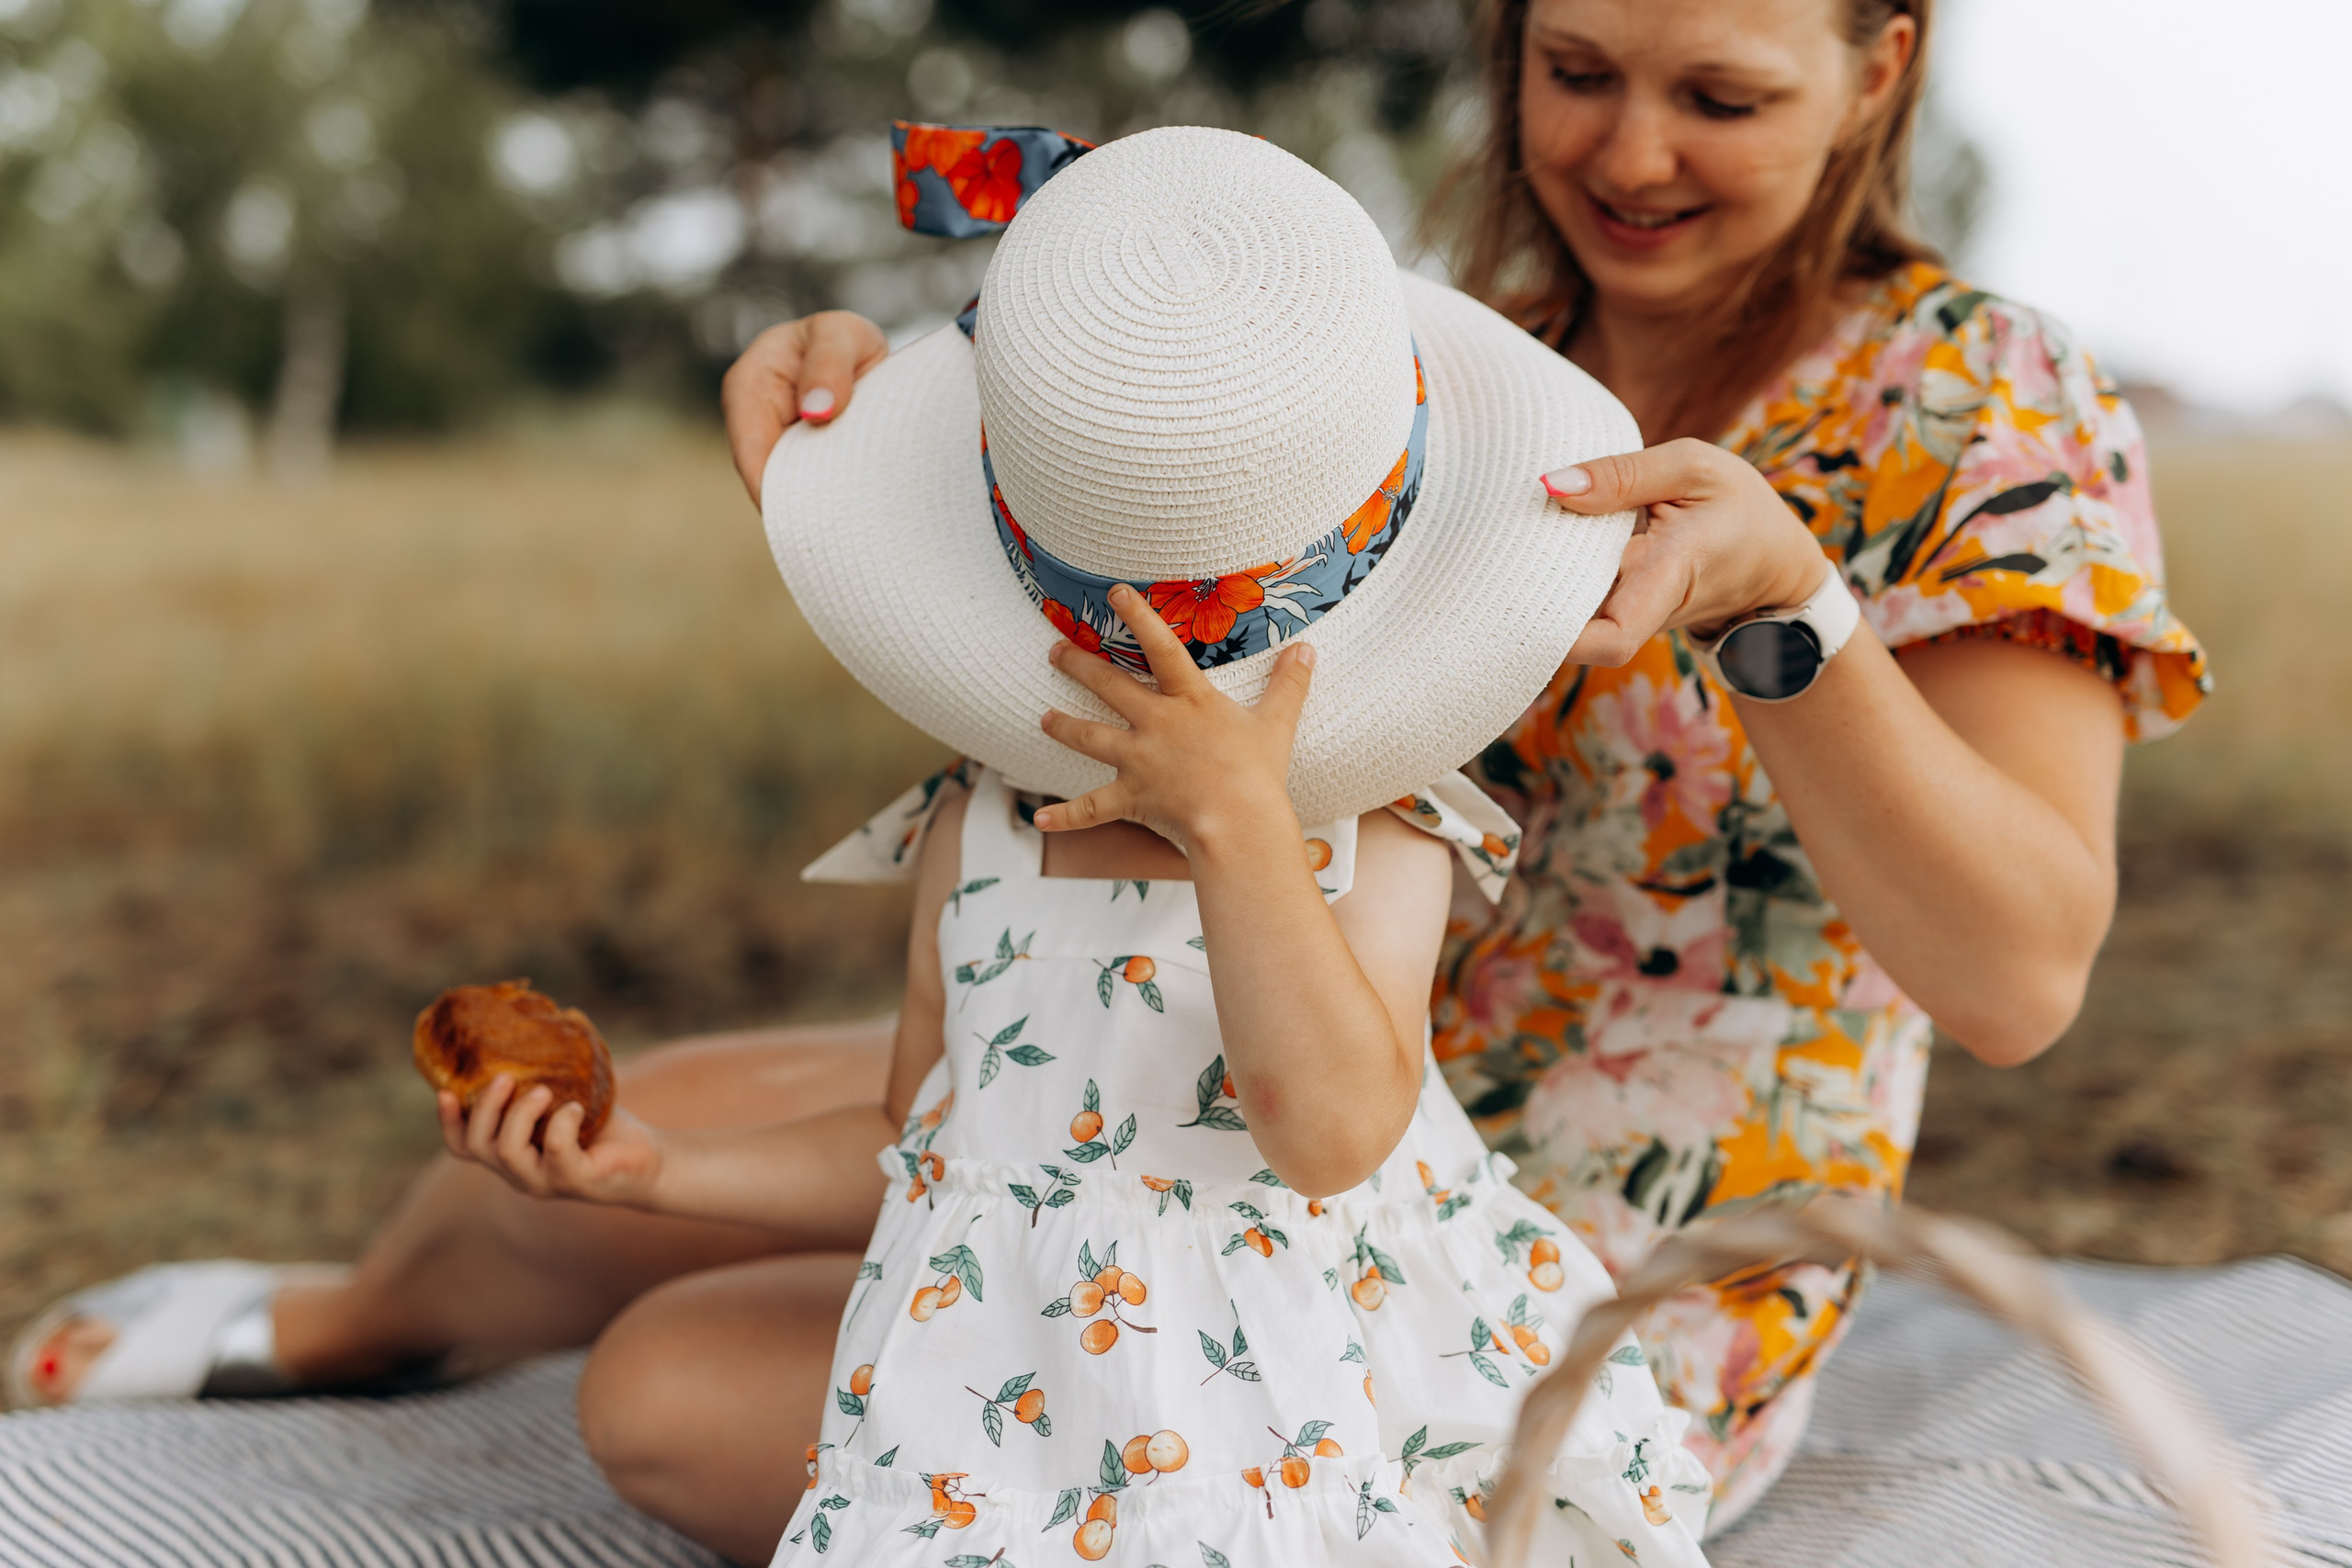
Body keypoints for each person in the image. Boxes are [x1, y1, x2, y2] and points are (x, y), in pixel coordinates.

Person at [15, 0, 2207, 1552]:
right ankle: (344, 1321)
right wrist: (895, 401)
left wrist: (1782, 614)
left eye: (1717, 94)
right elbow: (1108, 328)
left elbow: (2016, 974)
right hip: (1218, 1000)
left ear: (1876, 68)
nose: (1628, 154)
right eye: (1572, 71)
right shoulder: (1444, 341)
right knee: (665, 1116)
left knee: (687, 1383)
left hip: (1547, 1214)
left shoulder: (1973, 401)